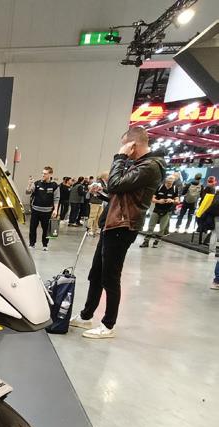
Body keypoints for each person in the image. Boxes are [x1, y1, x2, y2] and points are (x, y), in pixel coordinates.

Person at [69, 126, 165, 339]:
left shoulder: (150, 166)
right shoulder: (140, 165)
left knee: (110, 277)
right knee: (96, 273)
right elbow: (119, 194)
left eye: (124, 145)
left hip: (123, 227)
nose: (122, 149)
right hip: (112, 224)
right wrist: (102, 193)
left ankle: (108, 324)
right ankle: (86, 315)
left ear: (132, 145)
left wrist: (119, 157)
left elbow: (115, 184)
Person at [25, 166, 58, 251]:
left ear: (50, 174)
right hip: (35, 210)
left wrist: (55, 210)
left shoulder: (54, 185)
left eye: (45, 173)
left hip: (47, 212)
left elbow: (56, 198)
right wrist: (29, 184)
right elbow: (27, 192)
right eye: (42, 173)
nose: (43, 175)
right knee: (32, 228)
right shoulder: (37, 183)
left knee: (46, 229)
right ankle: (32, 244)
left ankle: (45, 245)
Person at [140, 175, 177, 248]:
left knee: (162, 228)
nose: (169, 184)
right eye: (168, 182)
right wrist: (158, 201)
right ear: (166, 181)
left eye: (171, 183)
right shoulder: (160, 187)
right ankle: (146, 241)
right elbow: (152, 199)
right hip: (157, 209)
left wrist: (172, 200)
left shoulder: (175, 189)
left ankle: (156, 242)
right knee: (151, 226)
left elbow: (177, 200)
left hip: (167, 211)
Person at [196, 179, 218, 259]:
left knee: (214, 233)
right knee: (215, 233)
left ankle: (212, 252)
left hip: (212, 215)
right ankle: (212, 251)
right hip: (216, 216)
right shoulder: (213, 191)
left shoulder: (215, 194)